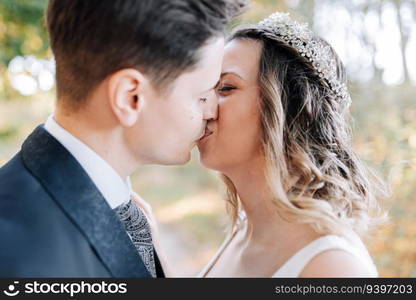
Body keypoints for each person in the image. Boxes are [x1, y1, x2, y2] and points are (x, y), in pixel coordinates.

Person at [0, 0, 246, 277]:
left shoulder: (122, 209)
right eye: (202, 95)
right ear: (130, 97)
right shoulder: (21, 255)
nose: (212, 111)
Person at [197, 12, 388, 277]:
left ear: (286, 110)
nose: (203, 105)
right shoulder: (245, 229)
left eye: (226, 88)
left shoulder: (333, 267)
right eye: (206, 89)